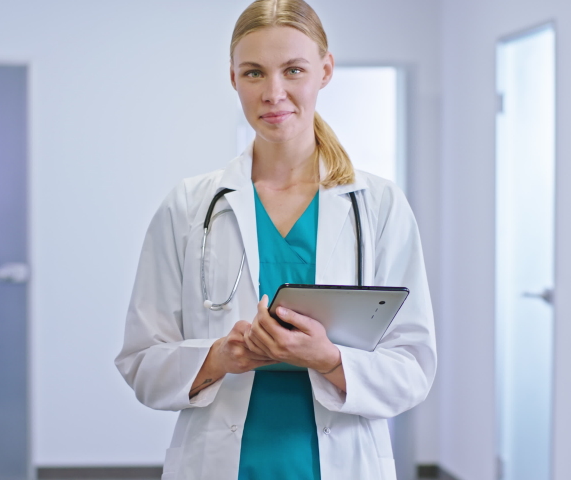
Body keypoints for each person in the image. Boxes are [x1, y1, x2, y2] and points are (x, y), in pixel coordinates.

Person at [114, 1, 436, 478]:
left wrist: (329, 360)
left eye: (293, 70)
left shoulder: (380, 207)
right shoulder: (188, 207)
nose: (274, 92)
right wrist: (219, 357)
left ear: (325, 70)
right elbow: (142, 362)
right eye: (254, 73)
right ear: (232, 78)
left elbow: (413, 368)